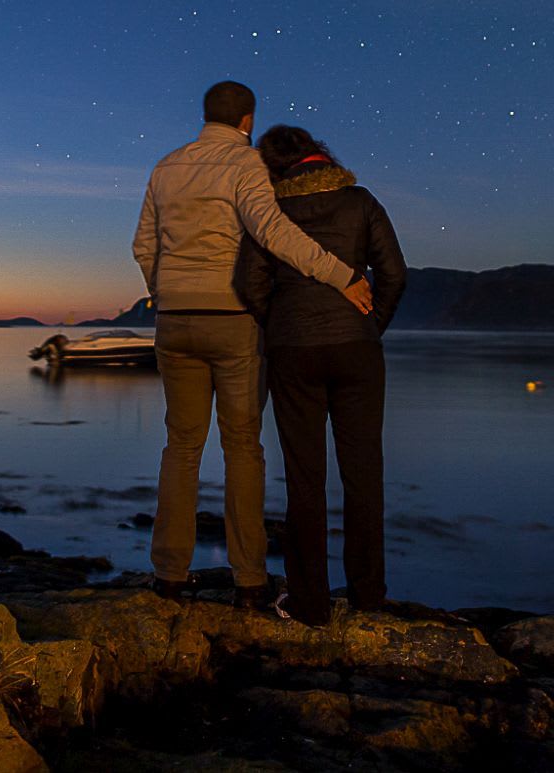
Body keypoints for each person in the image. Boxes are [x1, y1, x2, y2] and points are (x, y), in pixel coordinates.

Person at [133, 81, 375, 608]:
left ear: (206, 116)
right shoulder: (245, 165)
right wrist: (342, 275)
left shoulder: (165, 167)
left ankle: (169, 575)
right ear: (247, 121)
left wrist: (165, 290)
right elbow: (272, 232)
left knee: (181, 447)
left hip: (175, 321)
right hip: (233, 319)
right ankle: (249, 580)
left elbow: (143, 245)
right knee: (242, 447)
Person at [236, 124, 406, 626]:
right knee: (363, 474)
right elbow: (393, 273)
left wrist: (282, 322)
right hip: (356, 348)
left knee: (304, 478)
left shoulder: (271, 213)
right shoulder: (361, 201)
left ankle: (310, 602)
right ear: (319, 155)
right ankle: (368, 596)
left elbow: (250, 284)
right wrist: (372, 324)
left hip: (294, 352)